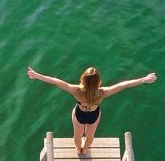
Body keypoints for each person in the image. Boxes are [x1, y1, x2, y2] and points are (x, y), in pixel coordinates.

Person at [27, 66, 157, 154]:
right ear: (98, 81)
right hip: (94, 115)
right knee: (90, 135)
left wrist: (37, 75)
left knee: (77, 135)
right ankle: (85, 149)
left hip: (79, 115)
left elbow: (56, 82)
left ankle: (79, 150)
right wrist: (143, 79)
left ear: (83, 78)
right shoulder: (102, 92)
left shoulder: (76, 90)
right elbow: (124, 85)